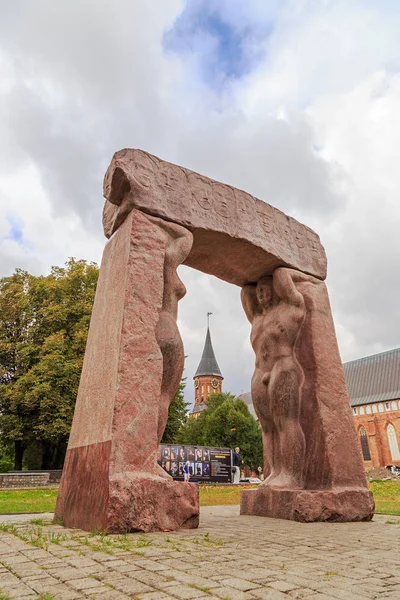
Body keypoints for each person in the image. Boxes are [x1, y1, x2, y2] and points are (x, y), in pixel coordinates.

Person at [241, 268, 316, 489]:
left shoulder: (292, 308)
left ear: (277, 289)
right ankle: (274, 472)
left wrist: (273, 270)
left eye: (267, 290)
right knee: (267, 427)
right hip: (259, 371)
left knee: (286, 421)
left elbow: (282, 273)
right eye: (260, 292)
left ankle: (292, 474)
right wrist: (252, 280)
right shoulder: (257, 318)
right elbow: (246, 291)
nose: (262, 295)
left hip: (283, 366)